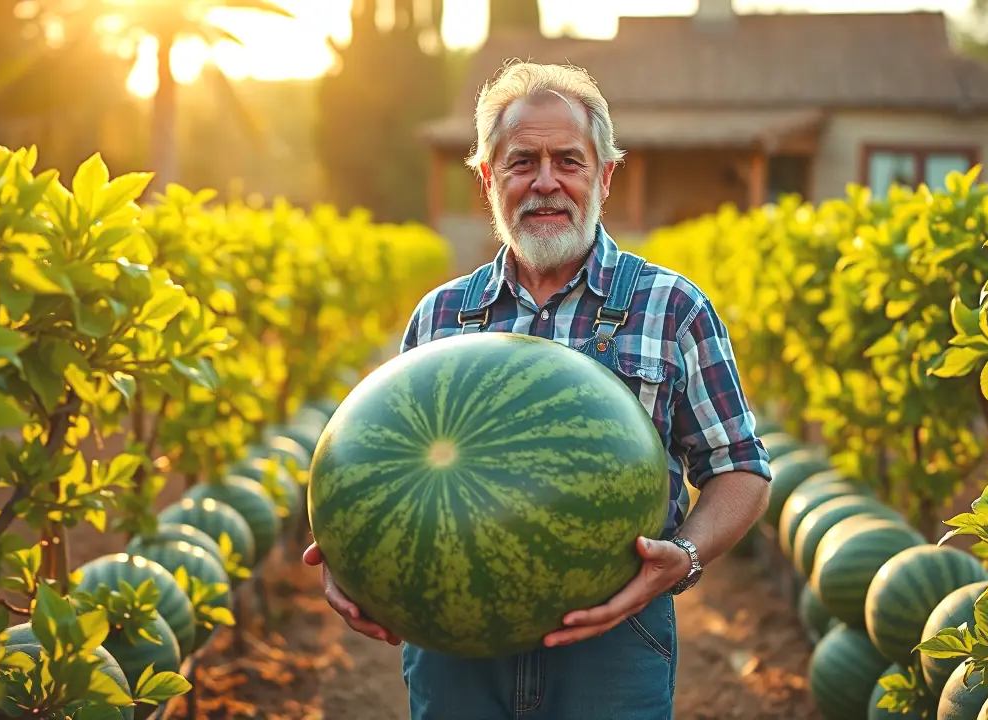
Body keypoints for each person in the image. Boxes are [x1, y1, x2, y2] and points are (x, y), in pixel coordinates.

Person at [302, 61, 772, 719]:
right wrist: (352, 554)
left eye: (569, 162)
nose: (545, 182)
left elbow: (740, 468)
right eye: (521, 162)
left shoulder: (672, 307)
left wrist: (685, 557)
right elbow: (385, 468)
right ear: (488, 179)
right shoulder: (440, 316)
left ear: (604, 177)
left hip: (614, 644)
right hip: (455, 648)